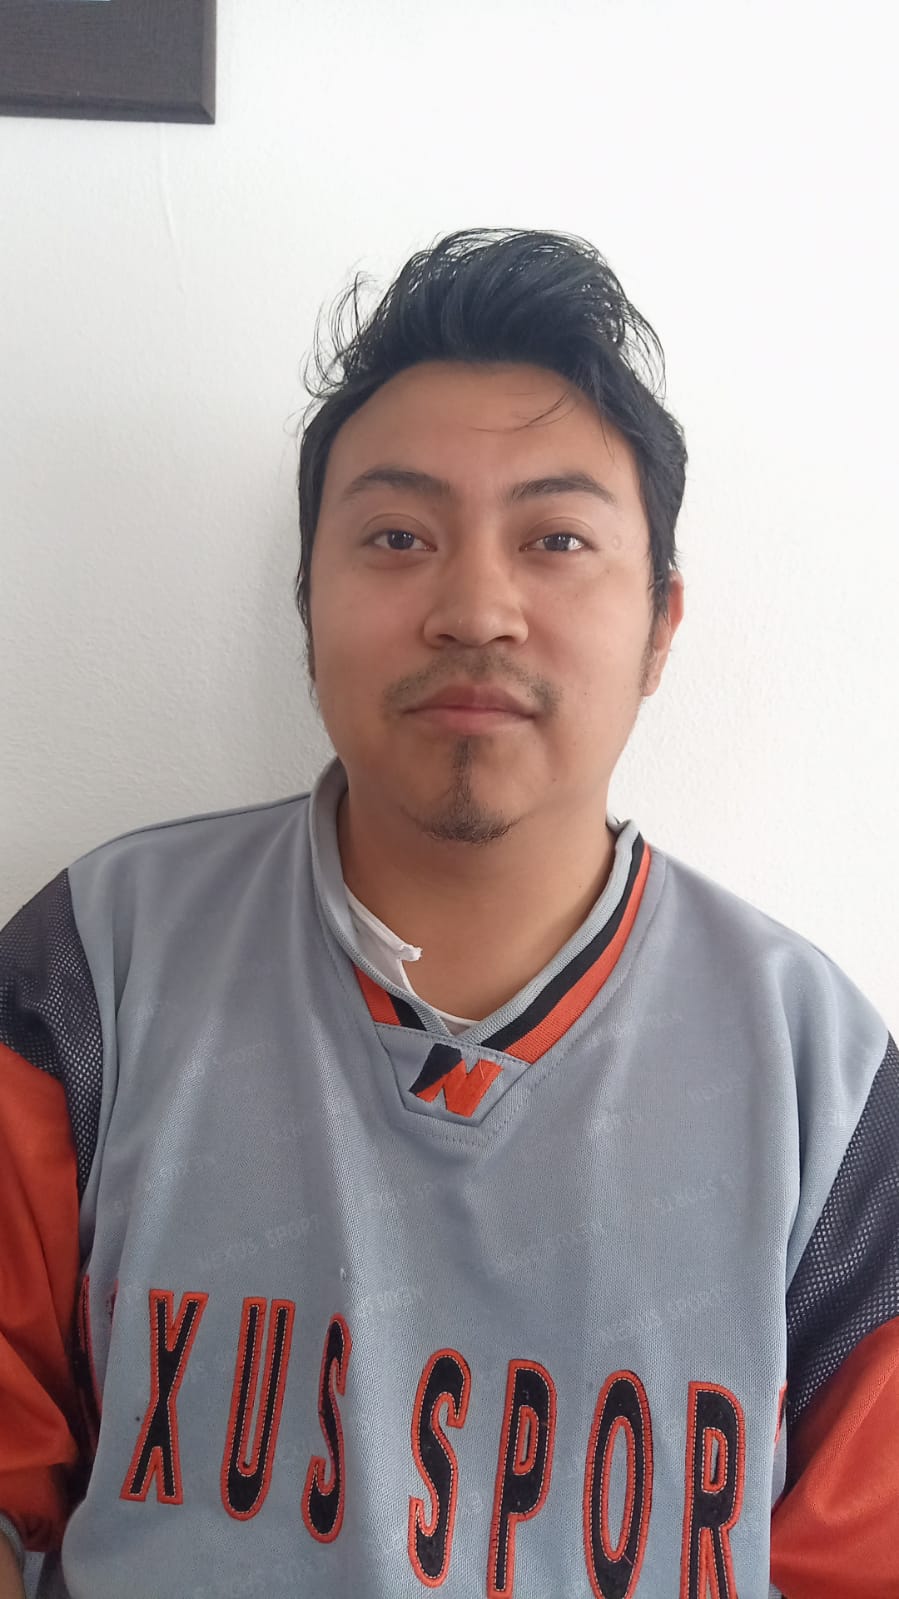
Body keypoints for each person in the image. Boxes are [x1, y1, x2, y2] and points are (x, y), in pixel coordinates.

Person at [0, 227, 895, 1599]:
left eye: (557, 540)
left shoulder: (818, 1072)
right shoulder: (98, 962)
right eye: (399, 538)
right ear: (308, 602)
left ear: (662, 625)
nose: (477, 609)